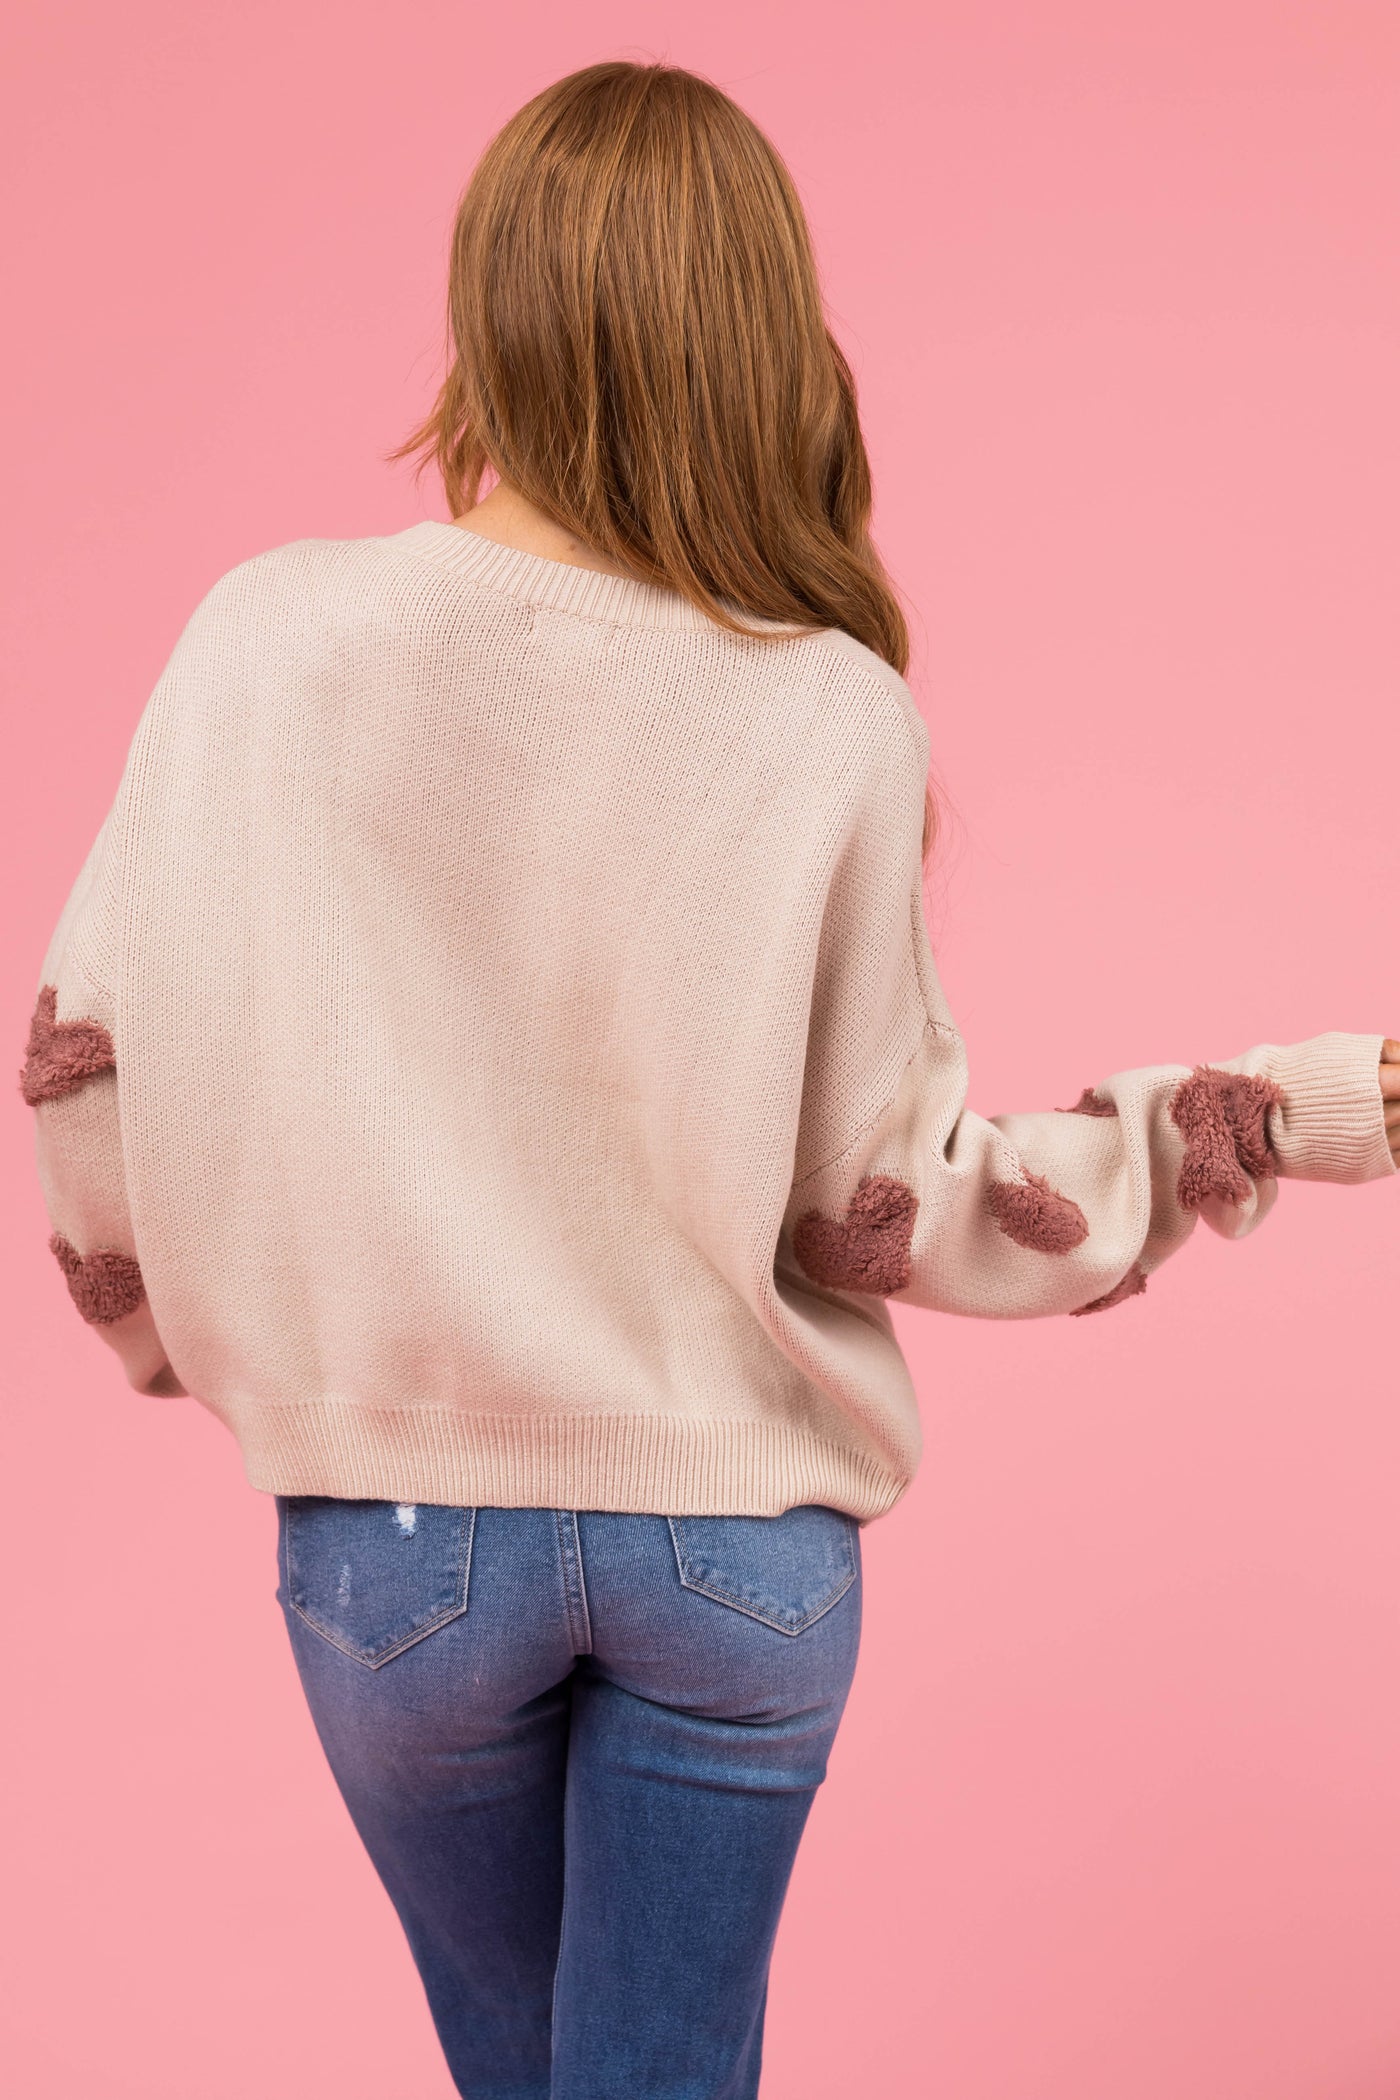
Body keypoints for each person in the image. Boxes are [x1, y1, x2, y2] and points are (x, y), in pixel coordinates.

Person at [20, 56, 1400, 2100]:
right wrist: (1270, 1113)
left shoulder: (263, 644)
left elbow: (85, 1072)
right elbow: (891, 1204)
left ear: (488, 305)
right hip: (733, 1550)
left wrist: (227, 1357)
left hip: (396, 1534)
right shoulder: (827, 712)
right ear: (761, 329)